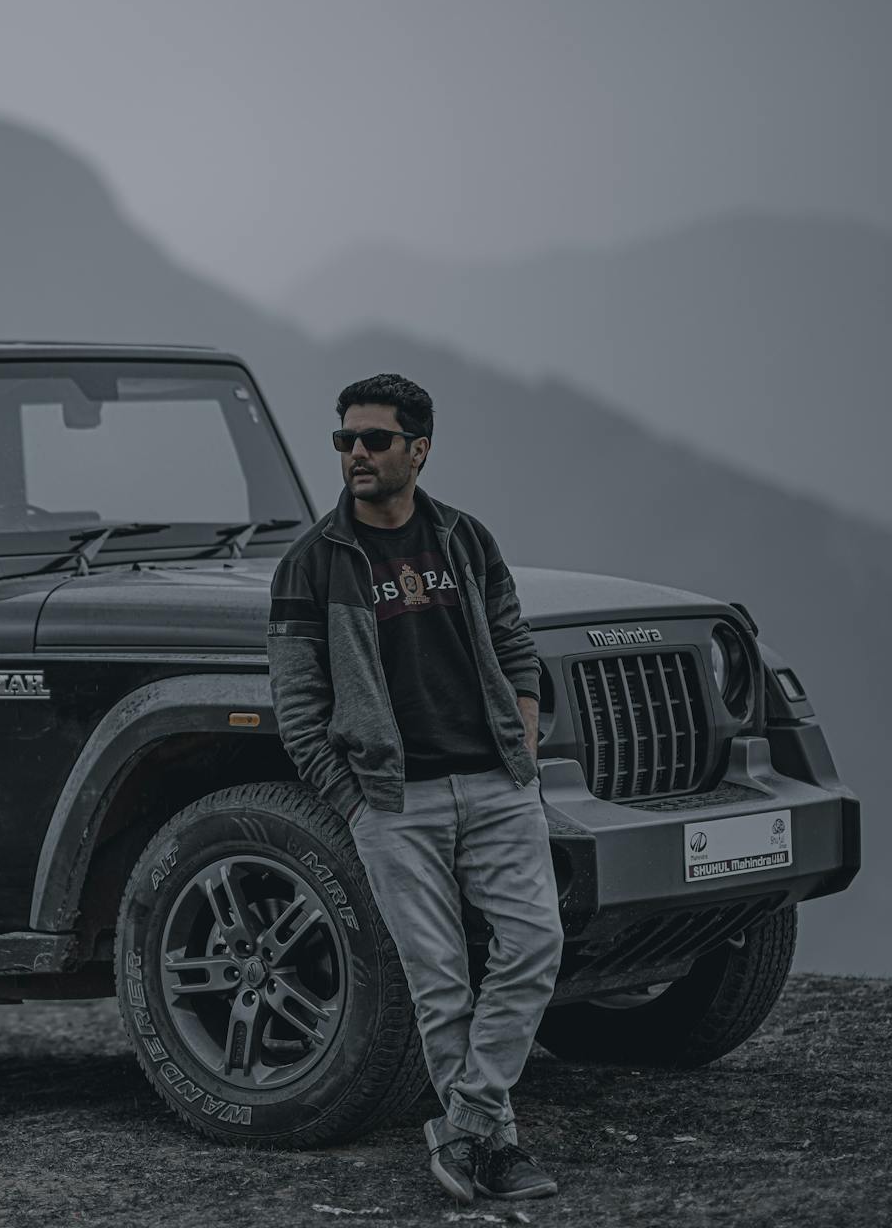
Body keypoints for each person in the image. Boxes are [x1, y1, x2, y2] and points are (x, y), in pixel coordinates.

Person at [265, 373, 563, 1203]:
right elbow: (298, 706)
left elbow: (514, 645)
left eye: (375, 439)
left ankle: (466, 1130)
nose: (355, 453)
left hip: (498, 785)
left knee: (535, 946)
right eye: (344, 439)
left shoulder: (466, 540)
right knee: (441, 985)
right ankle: (493, 1150)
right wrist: (353, 799)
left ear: (418, 450)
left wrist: (525, 739)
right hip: (395, 803)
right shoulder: (311, 565)